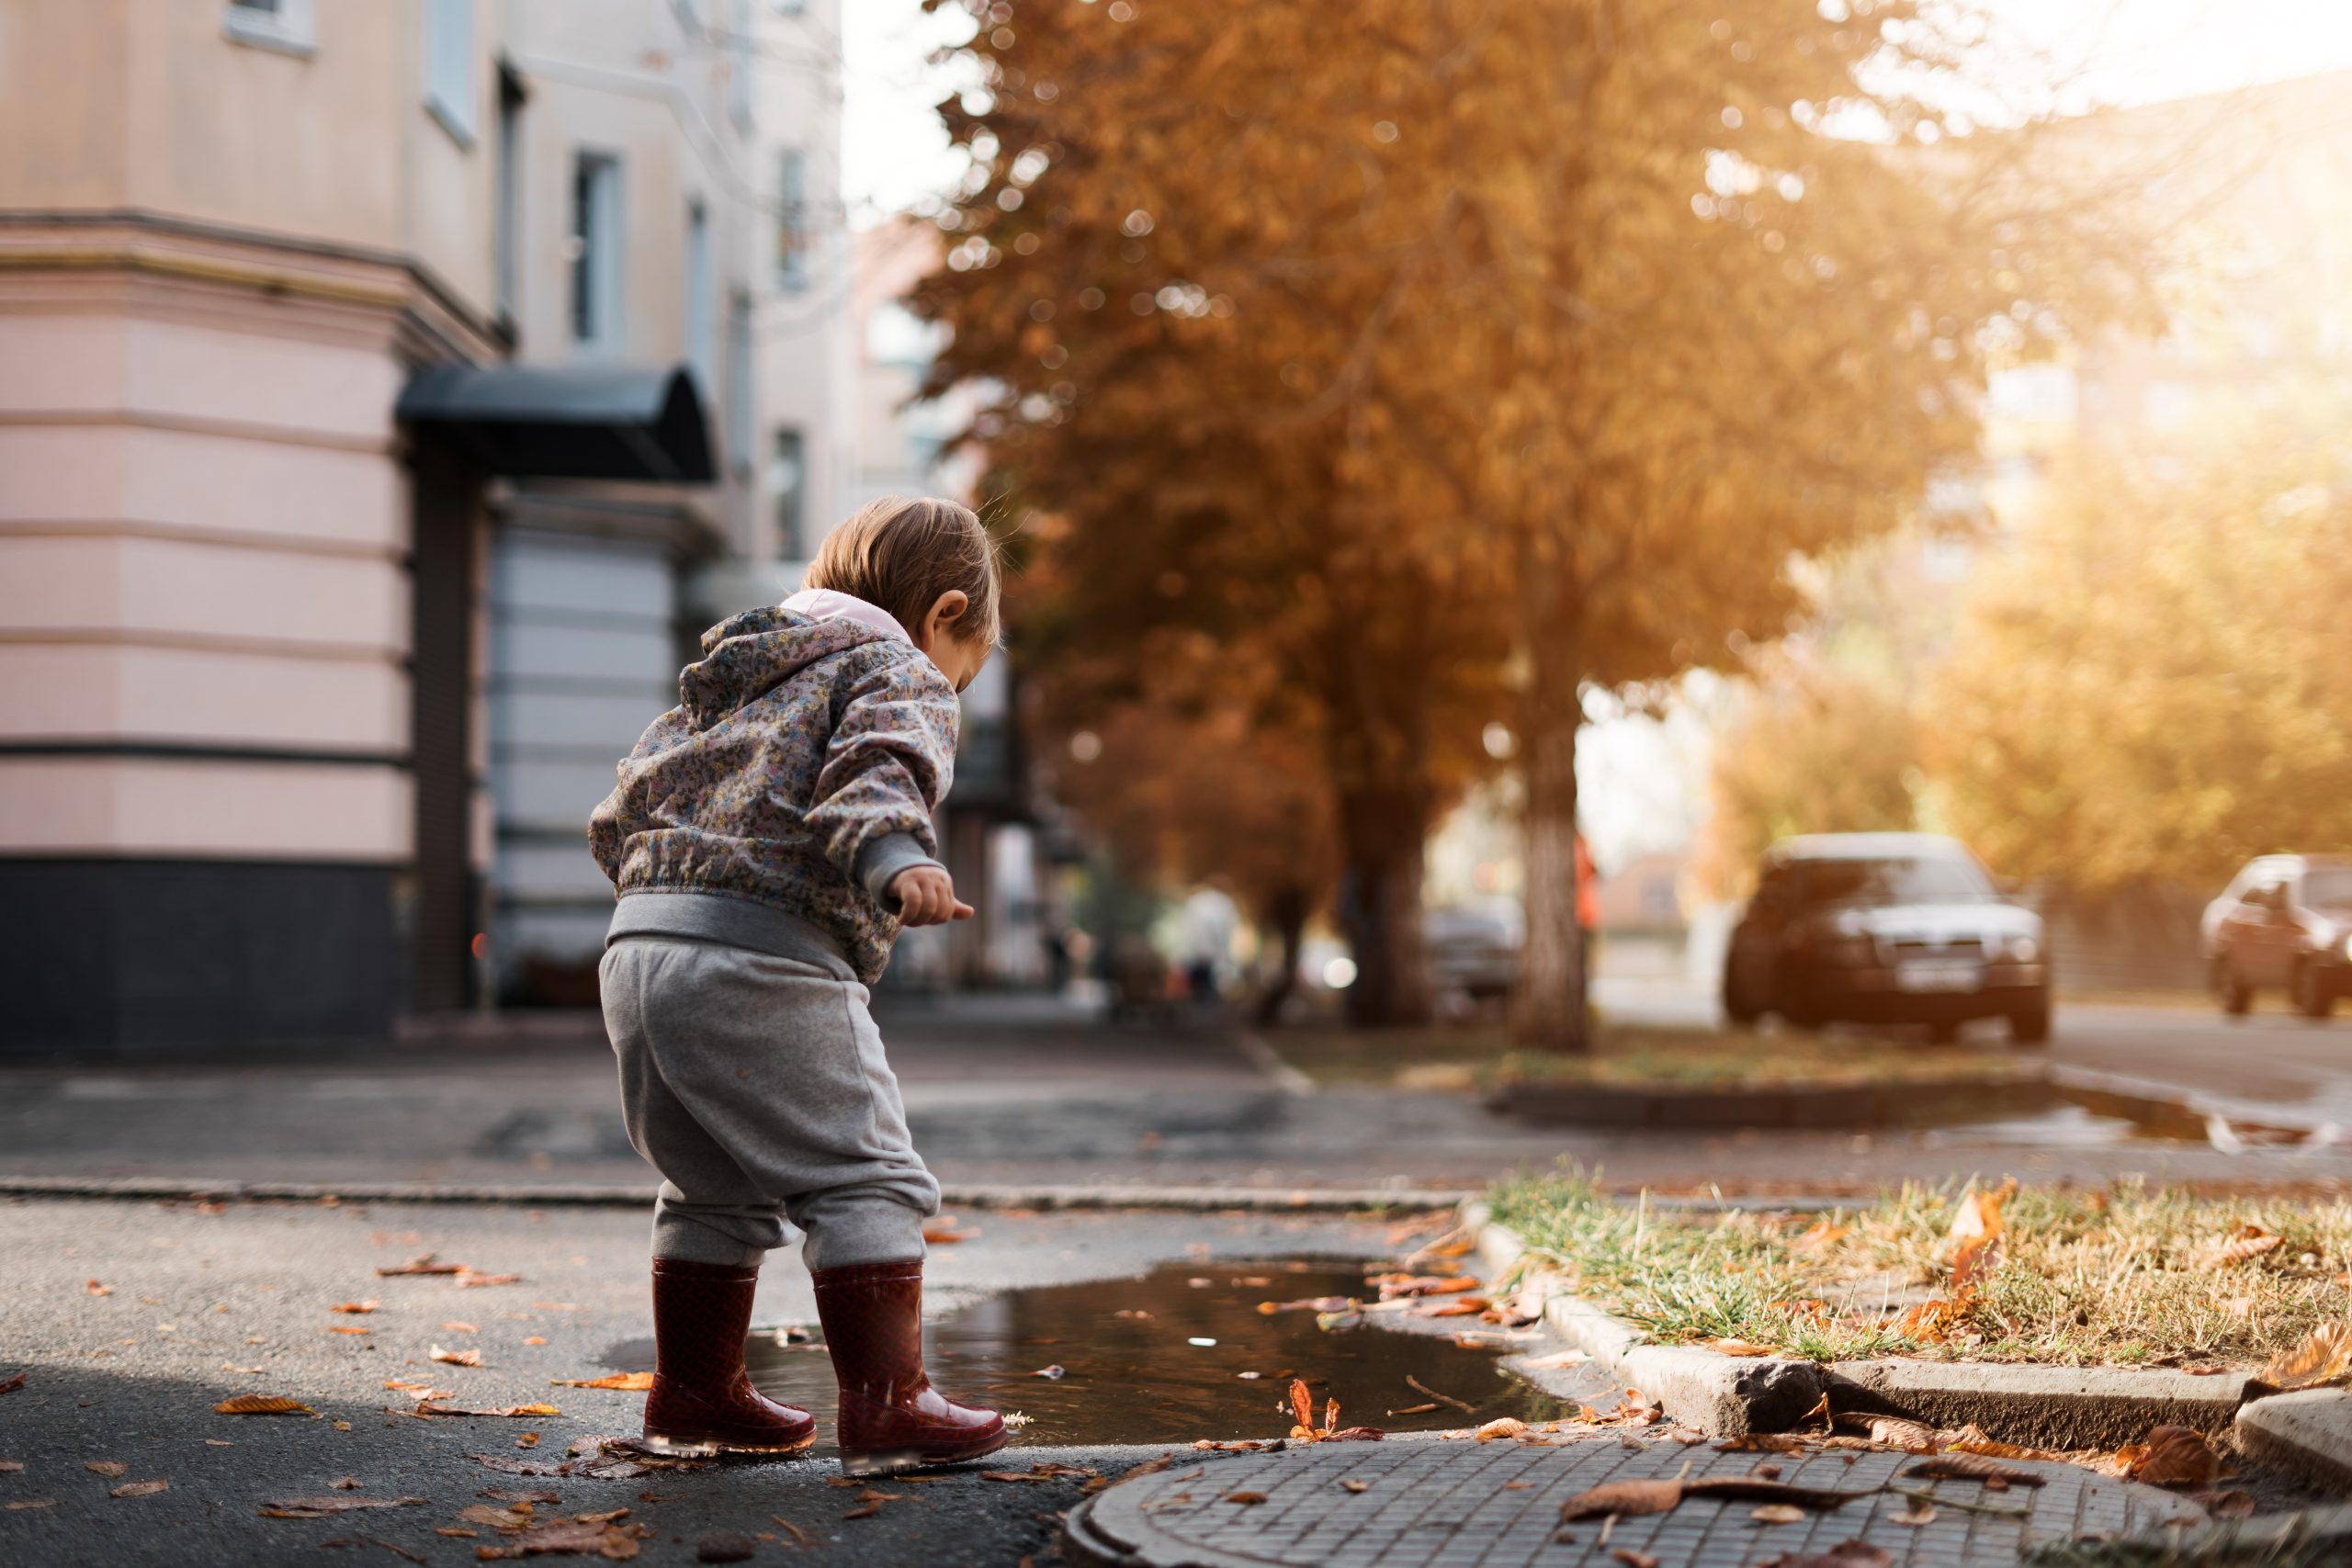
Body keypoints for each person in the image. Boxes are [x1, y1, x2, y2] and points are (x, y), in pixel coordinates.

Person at [588, 496, 1005, 1476]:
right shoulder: (896, 668)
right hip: (763, 957)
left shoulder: (733, 670)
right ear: (943, 617)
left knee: (709, 1186)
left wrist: (665, 899)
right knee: (866, 1177)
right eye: (967, 671)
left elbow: (621, 808)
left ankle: (694, 1393)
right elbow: (876, 771)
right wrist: (897, 861)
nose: (953, 690)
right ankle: (889, 1402)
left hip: (640, 950)